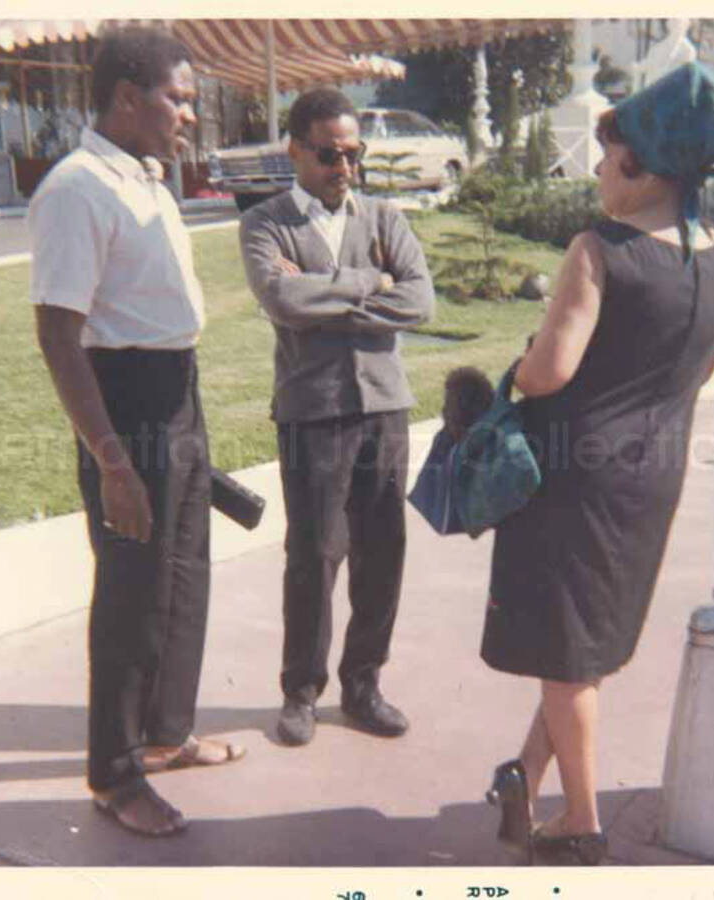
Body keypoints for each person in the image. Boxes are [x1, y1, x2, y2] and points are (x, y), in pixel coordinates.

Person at [479, 62, 714, 865]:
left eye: (608, 161)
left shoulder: (598, 249)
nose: (600, 175)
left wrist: (520, 362)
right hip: (653, 473)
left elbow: (548, 373)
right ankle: (520, 775)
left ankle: (579, 822)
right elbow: (698, 369)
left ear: (640, 165)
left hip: (575, 475)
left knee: (569, 659)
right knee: (584, 645)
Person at [30, 26, 245, 838]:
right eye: (179, 99)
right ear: (127, 96)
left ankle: (166, 733)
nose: (188, 114)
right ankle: (114, 775)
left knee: (183, 575)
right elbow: (58, 337)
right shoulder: (76, 189)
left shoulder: (146, 180)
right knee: (130, 593)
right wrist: (113, 465)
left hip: (176, 391)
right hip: (125, 405)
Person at [239, 88, 435, 746]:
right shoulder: (264, 223)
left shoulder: (382, 216)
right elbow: (281, 298)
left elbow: (420, 300)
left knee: (382, 552)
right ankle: (300, 691)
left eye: (353, 152)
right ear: (294, 150)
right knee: (314, 553)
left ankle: (363, 684)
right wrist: (367, 281)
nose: (342, 164)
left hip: (383, 405)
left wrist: (328, 292)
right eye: (328, 152)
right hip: (313, 411)